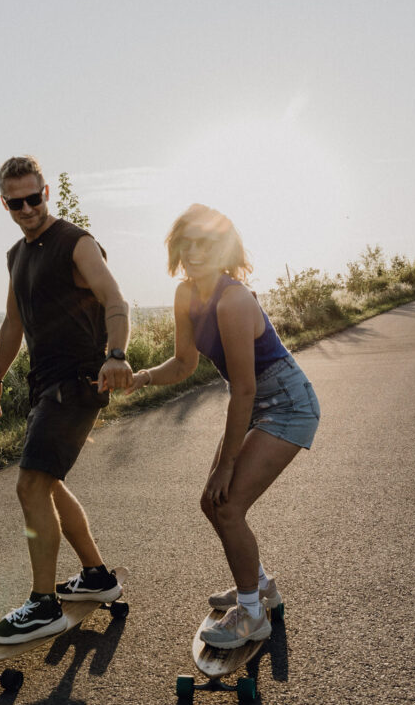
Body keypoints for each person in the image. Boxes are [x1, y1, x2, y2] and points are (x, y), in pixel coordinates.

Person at [126, 204, 320, 649]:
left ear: (224, 247)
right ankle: (259, 585)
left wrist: (225, 466)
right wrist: (144, 377)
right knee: (211, 503)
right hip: (256, 401)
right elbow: (183, 363)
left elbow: (245, 391)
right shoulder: (185, 295)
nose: (195, 252)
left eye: (206, 243)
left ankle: (252, 615)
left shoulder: (234, 300)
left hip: (288, 405)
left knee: (227, 504)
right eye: (187, 243)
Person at [0, 155, 133, 644]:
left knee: (30, 486)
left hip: (78, 380)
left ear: (47, 192)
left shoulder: (76, 243)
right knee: (50, 484)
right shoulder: (17, 255)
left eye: (34, 197)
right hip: (44, 381)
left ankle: (43, 604)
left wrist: (116, 354)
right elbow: (13, 323)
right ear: (4, 203)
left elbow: (115, 300)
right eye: (16, 201)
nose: (27, 208)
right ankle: (95, 576)